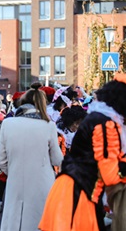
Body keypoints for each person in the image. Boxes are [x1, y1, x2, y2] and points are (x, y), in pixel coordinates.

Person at [39, 73, 126, 231]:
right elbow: (110, 173)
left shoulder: (98, 118)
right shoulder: (106, 125)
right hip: (79, 195)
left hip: (71, 190)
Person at [0, 82, 63, 230]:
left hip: (15, 180)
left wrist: (14, 171)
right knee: (39, 221)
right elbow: (57, 159)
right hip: (42, 181)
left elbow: (0, 160)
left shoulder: (7, 124)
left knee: (14, 222)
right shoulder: (49, 125)